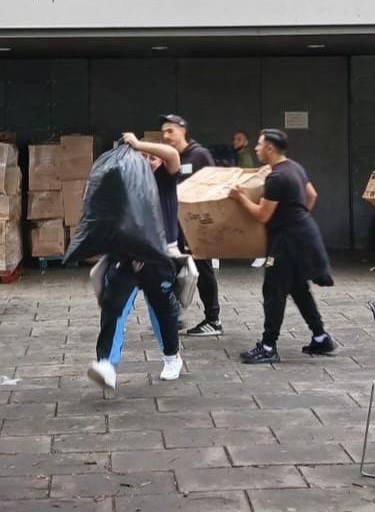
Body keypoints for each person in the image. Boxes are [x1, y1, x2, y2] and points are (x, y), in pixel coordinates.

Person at [229, 129, 335, 364]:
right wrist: (298, 217)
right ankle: (320, 337)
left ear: (269, 148)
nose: (255, 149)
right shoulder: (294, 167)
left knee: (273, 290)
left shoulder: (276, 177)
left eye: (258, 145)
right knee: (298, 288)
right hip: (304, 235)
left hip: (285, 244)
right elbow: (312, 196)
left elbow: (262, 215)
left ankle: (268, 346)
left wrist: (239, 198)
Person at [87, 132, 184, 390]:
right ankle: (107, 364)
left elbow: (173, 155)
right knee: (113, 307)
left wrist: (140, 144)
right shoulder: (125, 183)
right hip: (126, 258)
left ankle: (171, 357)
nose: (149, 161)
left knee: (162, 310)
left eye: (154, 158)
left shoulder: (165, 180)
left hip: (158, 259)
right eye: (143, 157)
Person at [159, 114, 223, 337]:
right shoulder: (170, 157)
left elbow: (214, 186)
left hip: (196, 226)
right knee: (174, 269)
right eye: (164, 132)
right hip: (174, 226)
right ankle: (173, 315)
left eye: (171, 131)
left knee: (203, 271)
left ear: (183, 130)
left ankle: (213, 320)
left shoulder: (199, 155)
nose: (166, 135)